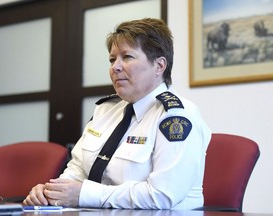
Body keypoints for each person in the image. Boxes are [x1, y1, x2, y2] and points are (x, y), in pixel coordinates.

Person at [23, 18, 211, 210]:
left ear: (159, 66)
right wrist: (51, 193)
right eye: (112, 59)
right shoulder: (105, 110)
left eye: (127, 57)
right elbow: (77, 170)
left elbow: (162, 195)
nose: (115, 67)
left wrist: (84, 194)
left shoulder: (176, 116)